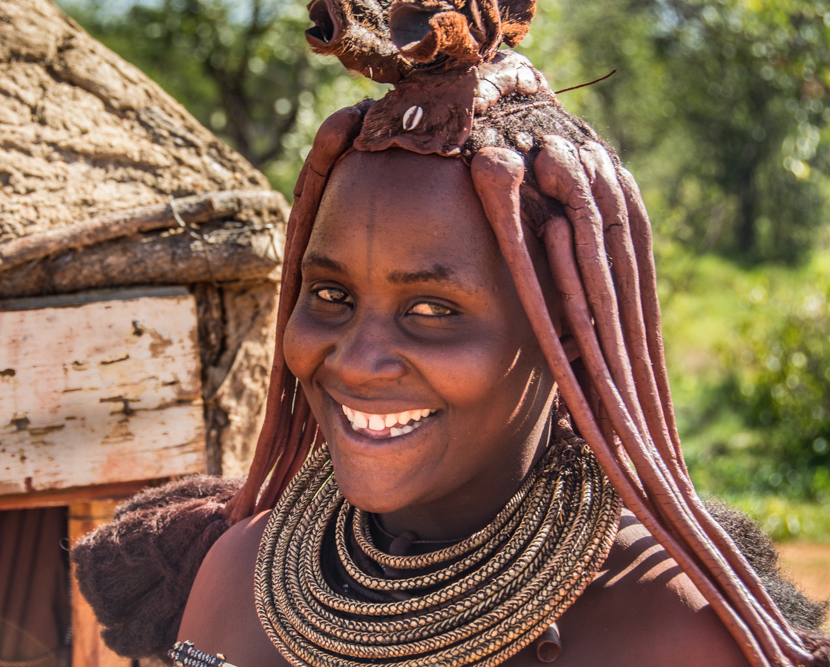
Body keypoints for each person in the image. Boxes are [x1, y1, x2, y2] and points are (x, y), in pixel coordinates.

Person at [73, 1, 830, 665]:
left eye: (432, 309)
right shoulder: (241, 577)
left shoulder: (668, 627)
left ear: (564, 332)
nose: (358, 360)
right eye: (330, 294)